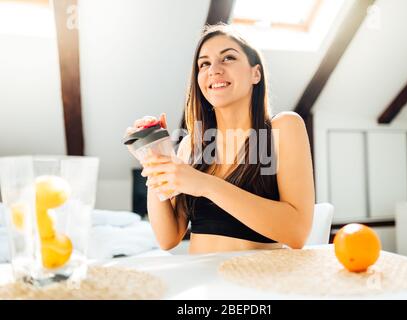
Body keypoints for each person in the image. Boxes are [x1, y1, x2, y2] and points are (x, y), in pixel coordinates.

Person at [126, 24, 315, 254]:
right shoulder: (191, 146)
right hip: (202, 284)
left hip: (258, 281)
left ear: (255, 73)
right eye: (204, 63)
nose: (214, 69)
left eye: (228, 58)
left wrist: (205, 184)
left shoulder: (283, 128)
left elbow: (297, 233)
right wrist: (156, 160)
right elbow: (168, 238)